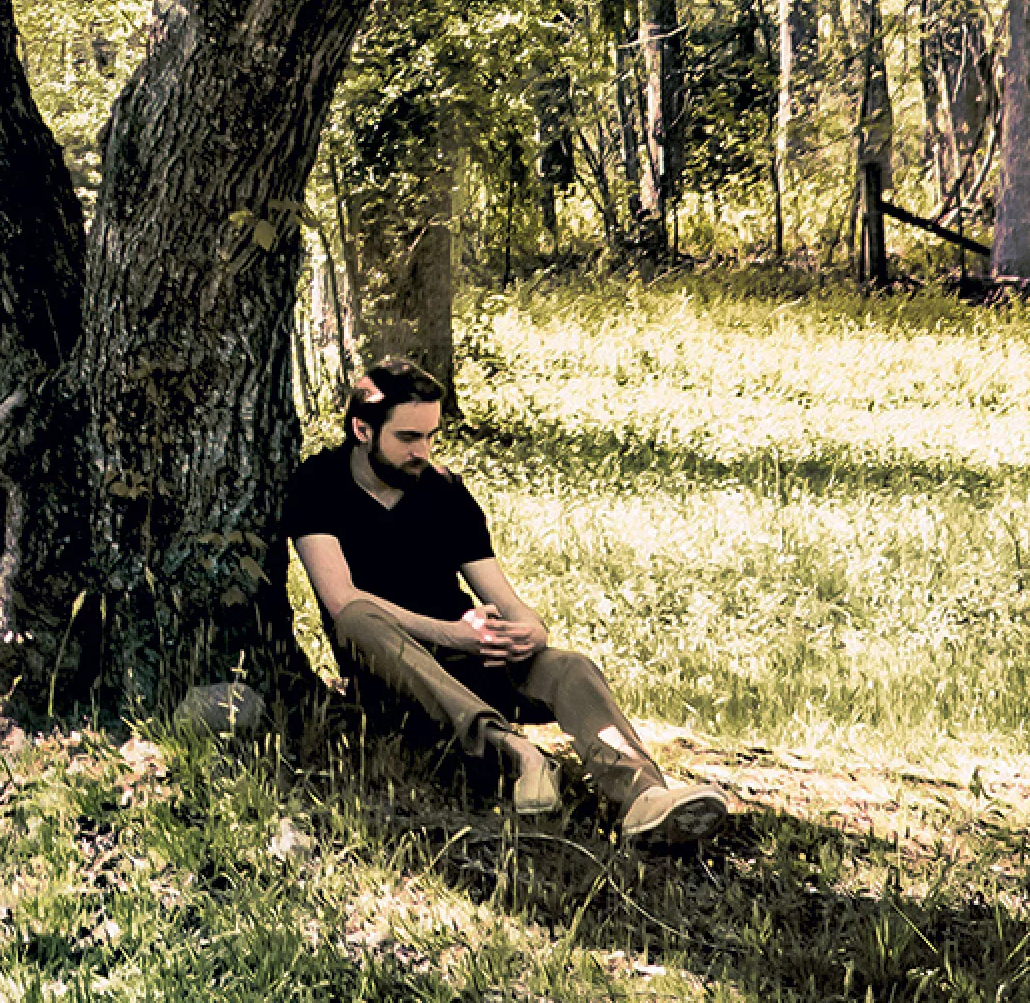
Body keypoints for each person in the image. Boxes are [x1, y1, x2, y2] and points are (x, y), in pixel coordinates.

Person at [281, 357, 732, 845]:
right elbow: (340, 598)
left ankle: (644, 798)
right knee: (358, 616)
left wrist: (530, 632)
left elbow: (504, 598)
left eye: (431, 435)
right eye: (408, 438)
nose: (423, 450)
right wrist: (449, 633)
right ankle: (513, 752)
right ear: (362, 430)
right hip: (393, 669)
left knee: (570, 667)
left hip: (470, 654)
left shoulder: (444, 492)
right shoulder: (318, 484)